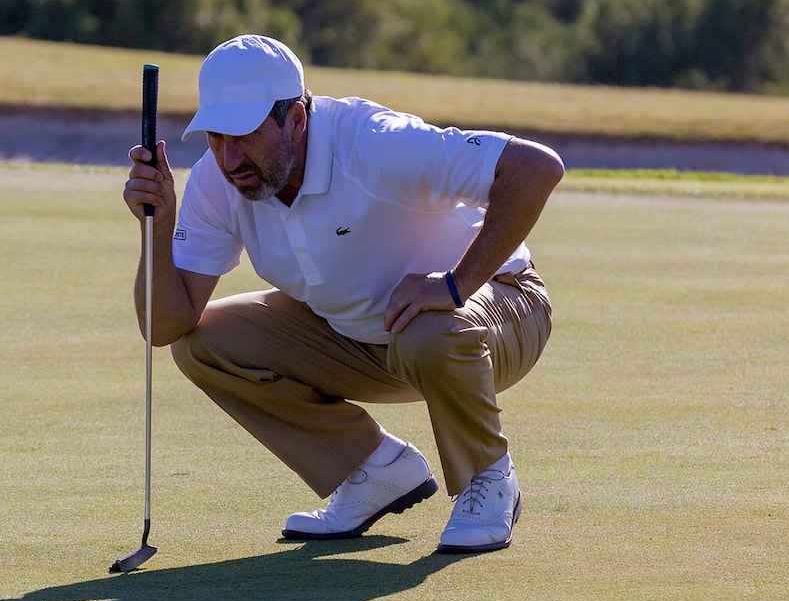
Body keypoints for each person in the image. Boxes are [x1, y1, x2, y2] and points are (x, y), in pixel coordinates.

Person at [122, 34, 563, 553]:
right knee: (203, 344)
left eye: (244, 134)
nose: (229, 157)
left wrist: (454, 283)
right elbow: (165, 324)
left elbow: (535, 168)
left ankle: (488, 479)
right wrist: (159, 223)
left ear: (297, 119)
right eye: (216, 138)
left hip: (499, 312)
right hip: (363, 336)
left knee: (427, 329)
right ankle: (374, 470)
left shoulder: (376, 141)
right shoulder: (217, 182)